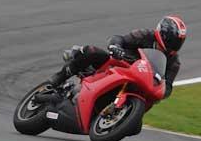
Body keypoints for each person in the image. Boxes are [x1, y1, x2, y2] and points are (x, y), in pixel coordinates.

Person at [50, 16, 187, 99]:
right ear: (162, 33)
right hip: (118, 64)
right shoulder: (146, 35)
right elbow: (119, 39)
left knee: (135, 127)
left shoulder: (174, 62)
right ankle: (60, 77)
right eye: (172, 40)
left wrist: (161, 92)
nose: (174, 45)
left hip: (139, 81)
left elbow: (168, 86)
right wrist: (116, 47)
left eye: (178, 42)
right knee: (93, 51)